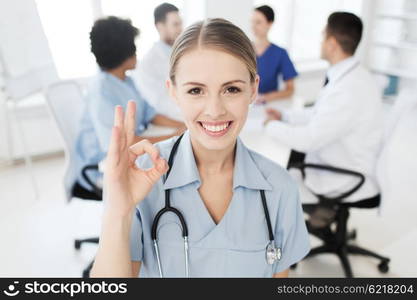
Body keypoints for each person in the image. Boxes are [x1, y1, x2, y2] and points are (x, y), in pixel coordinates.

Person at [90, 18, 310, 278]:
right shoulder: (142, 176)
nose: (215, 111)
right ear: (173, 91)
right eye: (196, 90)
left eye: (231, 89)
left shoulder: (279, 187)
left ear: (253, 90)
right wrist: (119, 211)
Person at [264, 12, 383, 202]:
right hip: (343, 159)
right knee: (289, 158)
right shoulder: (353, 76)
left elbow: (309, 140)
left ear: (332, 44)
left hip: (342, 176)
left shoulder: (348, 89)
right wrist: (285, 116)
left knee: (268, 182)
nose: (320, 43)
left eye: (322, 37)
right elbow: (321, 112)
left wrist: (270, 126)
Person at [73, 16, 184, 193]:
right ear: (123, 52)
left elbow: (151, 114)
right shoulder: (100, 90)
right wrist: (174, 136)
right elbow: (120, 144)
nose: (137, 52)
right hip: (102, 168)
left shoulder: (126, 81)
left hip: (133, 150)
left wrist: (184, 126)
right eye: (133, 46)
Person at [133, 3, 183, 120]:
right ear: (160, 26)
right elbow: (159, 102)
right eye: (175, 24)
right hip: (171, 122)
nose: (180, 29)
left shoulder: (185, 52)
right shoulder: (147, 64)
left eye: (180, 23)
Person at [251, 5, 298, 104]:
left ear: (270, 23)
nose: (253, 26)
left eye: (258, 22)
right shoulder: (243, 51)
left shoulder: (280, 53)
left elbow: (290, 89)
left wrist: (264, 97)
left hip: (268, 105)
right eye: (252, 22)